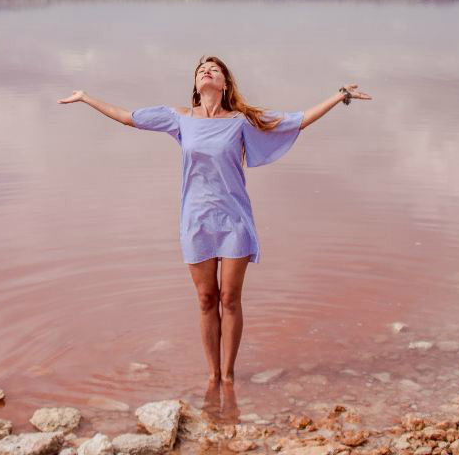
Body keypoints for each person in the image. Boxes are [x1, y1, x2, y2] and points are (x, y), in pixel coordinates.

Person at [59, 56, 371, 386]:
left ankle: (230, 376)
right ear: (195, 85)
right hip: (196, 219)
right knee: (207, 299)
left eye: (215, 69)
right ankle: (212, 376)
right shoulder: (178, 118)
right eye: (201, 70)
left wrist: (340, 96)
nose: (207, 71)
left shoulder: (242, 120)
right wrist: (85, 98)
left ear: (225, 84)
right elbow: (127, 118)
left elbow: (297, 121)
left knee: (229, 299)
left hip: (233, 218)